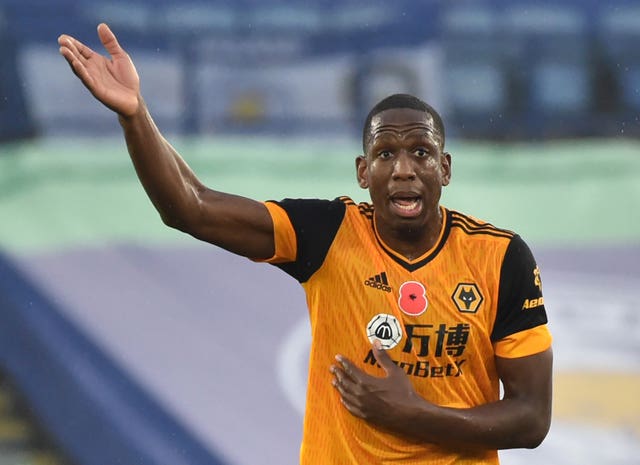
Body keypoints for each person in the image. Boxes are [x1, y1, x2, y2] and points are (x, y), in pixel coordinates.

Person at [58, 23, 553, 465]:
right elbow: (192, 207)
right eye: (385, 154)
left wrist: (413, 414)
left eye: (421, 152)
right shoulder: (327, 232)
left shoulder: (502, 257)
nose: (404, 168)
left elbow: (532, 420)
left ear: (444, 168)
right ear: (364, 173)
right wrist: (134, 114)